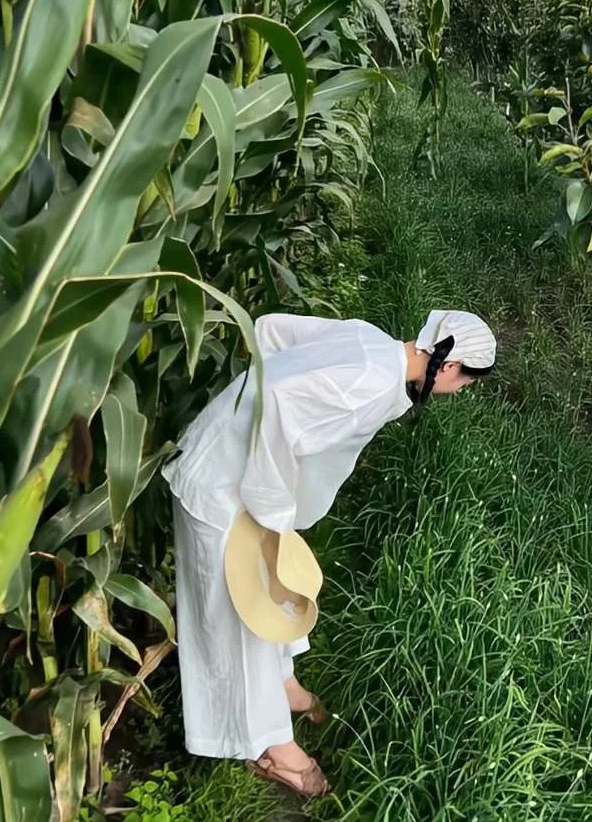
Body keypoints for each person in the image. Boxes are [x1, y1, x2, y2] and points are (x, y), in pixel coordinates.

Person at [161, 309, 497, 798]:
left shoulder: (372, 340)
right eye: (467, 382)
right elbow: (275, 402)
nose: (461, 392)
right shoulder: (372, 385)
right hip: (221, 484)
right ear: (448, 366)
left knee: (267, 588)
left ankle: (284, 686)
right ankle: (273, 746)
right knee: (240, 615)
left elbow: (269, 329)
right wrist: (272, 506)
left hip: (236, 468)